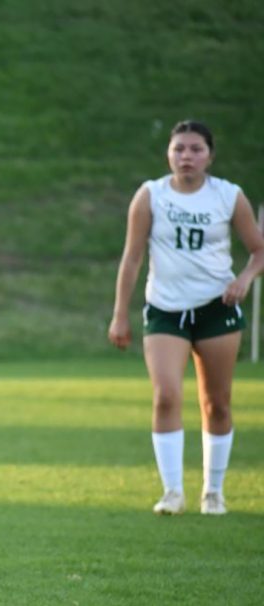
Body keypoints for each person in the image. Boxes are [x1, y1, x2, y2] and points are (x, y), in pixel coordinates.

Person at [108, 119, 264, 516]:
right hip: (165, 309)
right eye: (179, 149)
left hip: (217, 309)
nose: (186, 157)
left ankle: (213, 492)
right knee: (165, 396)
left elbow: (258, 250)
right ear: (169, 154)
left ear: (210, 155)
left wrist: (245, 278)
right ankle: (172, 491)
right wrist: (120, 316)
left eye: (195, 149)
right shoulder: (151, 195)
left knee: (217, 402)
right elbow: (132, 258)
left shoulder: (228, 197)